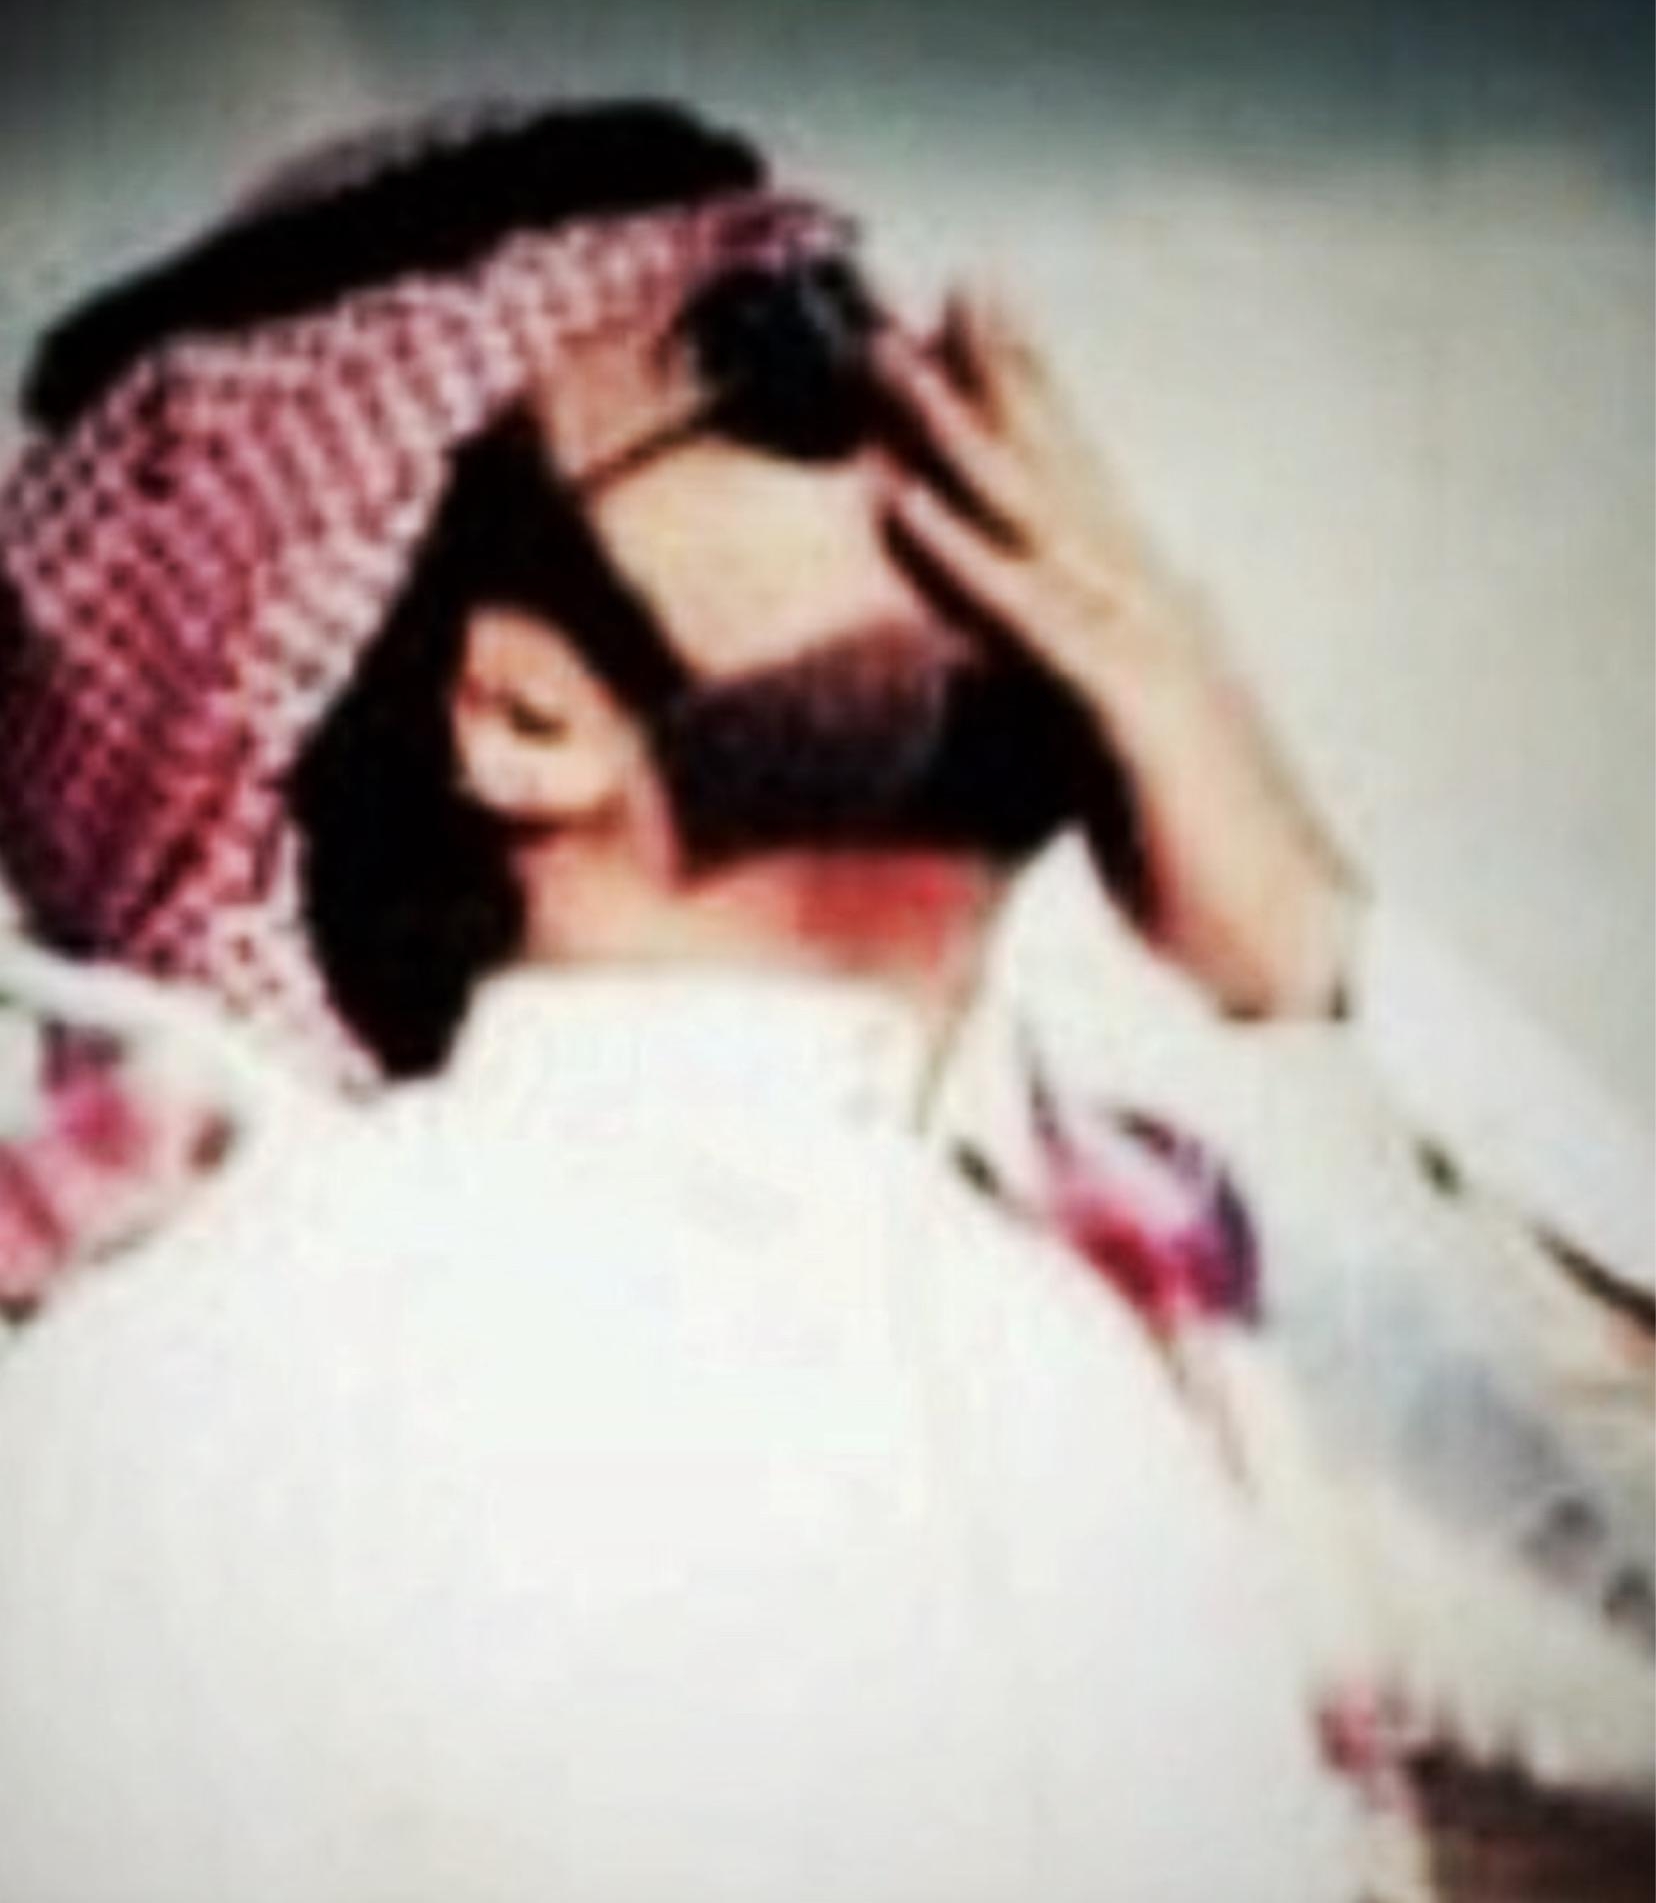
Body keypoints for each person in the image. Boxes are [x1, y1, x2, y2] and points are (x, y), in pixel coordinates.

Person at [0, 100, 1645, 1902]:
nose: (955, 447)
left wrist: (1331, 953)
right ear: (524, 714)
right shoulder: (197, 1425)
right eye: (787, 370)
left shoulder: (1194, 1319)